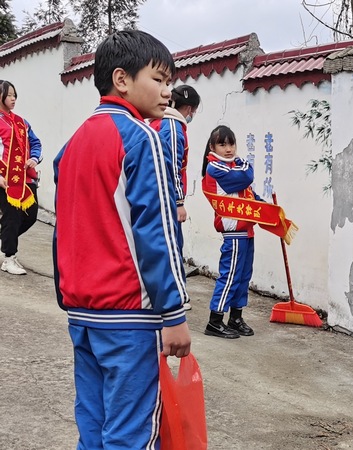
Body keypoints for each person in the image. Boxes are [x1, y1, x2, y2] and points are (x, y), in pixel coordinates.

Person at [52, 30, 191, 449]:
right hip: (130, 315)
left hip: (83, 312)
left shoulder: (72, 144)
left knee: (93, 429)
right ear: (122, 79)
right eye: (159, 79)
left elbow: (67, 227)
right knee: (130, 436)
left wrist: (68, 295)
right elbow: (158, 232)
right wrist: (175, 313)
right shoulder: (142, 138)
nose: (168, 91)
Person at [200, 125, 260, 339]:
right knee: (230, 277)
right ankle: (215, 320)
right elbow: (246, 176)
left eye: (231, 143)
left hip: (247, 231)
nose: (228, 149)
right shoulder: (215, 168)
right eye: (222, 144)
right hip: (233, 232)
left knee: (243, 277)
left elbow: (250, 193)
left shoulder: (234, 166)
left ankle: (235, 317)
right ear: (212, 146)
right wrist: (245, 167)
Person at [150, 85, 201, 310]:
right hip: (165, 197)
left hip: (154, 195)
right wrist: (179, 202)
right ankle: (176, 296)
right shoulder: (172, 126)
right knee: (172, 245)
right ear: (188, 108)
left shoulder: (158, 122)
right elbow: (171, 167)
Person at [0, 80, 43, 275]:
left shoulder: (21, 122)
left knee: (31, 215)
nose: (13, 98)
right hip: (5, 178)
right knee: (12, 217)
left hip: (25, 178)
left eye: (14, 94)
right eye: (9, 94)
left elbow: (35, 142)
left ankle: (5, 242)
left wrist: (34, 158)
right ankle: (9, 258)